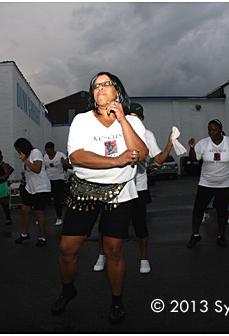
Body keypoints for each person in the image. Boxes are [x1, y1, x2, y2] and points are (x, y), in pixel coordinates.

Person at [50, 72, 148, 325]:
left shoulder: (132, 122)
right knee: (67, 248)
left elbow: (140, 152)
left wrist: (123, 120)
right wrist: (116, 160)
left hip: (120, 192)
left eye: (106, 84)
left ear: (118, 91)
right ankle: (67, 288)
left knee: (114, 249)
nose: (100, 88)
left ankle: (117, 301)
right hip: (84, 190)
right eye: (95, 86)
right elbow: (77, 157)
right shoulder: (82, 120)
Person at [92, 102, 173, 274]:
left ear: (142, 119)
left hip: (139, 187)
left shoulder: (147, 134)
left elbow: (158, 159)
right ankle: (102, 255)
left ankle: (144, 259)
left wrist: (169, 146)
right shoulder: (114, 132)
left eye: (136, 118)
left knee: (140, 224)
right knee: (105, 224)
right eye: (129, 117)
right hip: (115, 186)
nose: (133, 121)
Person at [187, 119, 229, 248]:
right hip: (206, 183)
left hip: (224, 184)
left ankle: (221, 236)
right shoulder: (203, 143)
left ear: (220, 130)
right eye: (209, 130)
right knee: (198, 210)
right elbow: (194, 159)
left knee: (222, 212)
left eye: (214, 129)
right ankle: (195, 235)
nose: (212, 132)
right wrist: (192, 148)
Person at [13, 138, 51, 247]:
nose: (18, 152)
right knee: (25, 210)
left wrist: (25, 161)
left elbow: (37, 169)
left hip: (41, 187)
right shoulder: (25, 157)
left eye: (18, 150)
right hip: (30, 188)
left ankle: (42, 237)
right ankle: (25, 234)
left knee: (38, 212)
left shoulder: (35, 153)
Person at [43, 142, 70, 226]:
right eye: (46, 150)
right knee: (44, 197)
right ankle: (40, 217)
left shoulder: (60, 155)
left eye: (48, 150)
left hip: (58, 179)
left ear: (52, 149)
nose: (47, 152)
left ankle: (59, 217)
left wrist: (64, 162)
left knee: (57, 198)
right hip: (48, 179)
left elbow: (67, 166)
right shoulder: (45, 157)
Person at [0, 149, 13, 225]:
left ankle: (8, 218)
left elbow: (7, 173)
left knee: (3, 201)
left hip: (1, 184)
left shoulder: (4, 165)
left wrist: (4, 176)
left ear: (1, 156)